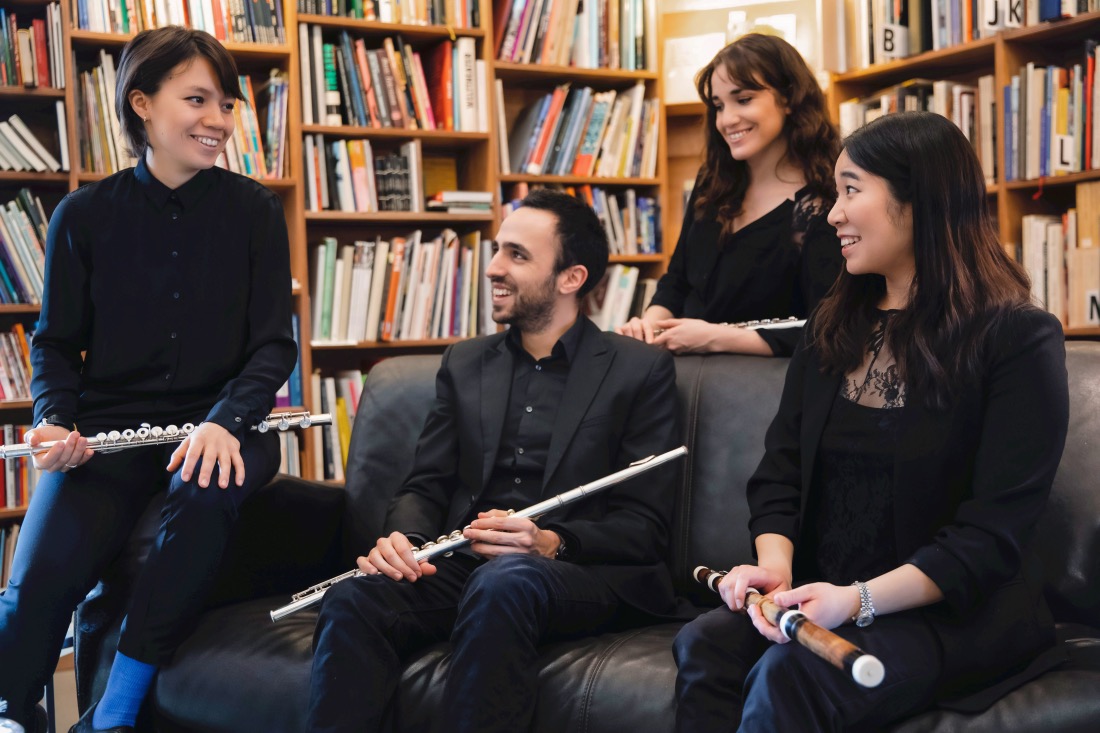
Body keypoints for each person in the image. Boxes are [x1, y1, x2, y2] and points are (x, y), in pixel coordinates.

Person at [672, 111, 1070, 731]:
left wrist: (856, 601)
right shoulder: (831, 326)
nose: (833, 214)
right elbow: (780, 475)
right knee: (705, 644)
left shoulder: (1017, 338)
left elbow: (991, 537)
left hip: (951, 613)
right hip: (828, 594)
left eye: (851, 191)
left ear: (920, 201)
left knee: (795, 674)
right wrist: (775, 569)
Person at [0, 27, 297, 733]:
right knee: (36, 580)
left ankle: (114, 713)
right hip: (108, 432)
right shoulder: (81, 216)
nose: (218, 120)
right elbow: (55, 343)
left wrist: (226, 421)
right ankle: (12, 710)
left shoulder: (255, 212)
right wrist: (54, 420)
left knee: (202, 494)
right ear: (141, 103)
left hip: (231, 425)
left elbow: (272, 346)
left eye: (226, 104)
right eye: (197, 100)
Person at [307, 189, 681, 733]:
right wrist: (404, 541)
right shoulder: (464, 362)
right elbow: (425, 485)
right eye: (498, 249)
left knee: (505, 581)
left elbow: (645, 525)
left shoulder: (639, 369)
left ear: (571, 278)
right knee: (354, 598)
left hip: (582, 572)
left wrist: (549, 542)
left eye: (517, 255)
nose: (493, 268)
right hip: (468, 564)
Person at [619, 33, 843, 356]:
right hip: (683, 368)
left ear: (789, 98)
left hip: (764, 379)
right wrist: (648, 324)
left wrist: (717, 337)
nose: (726, 120)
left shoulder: (823, 204)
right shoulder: (711, 183)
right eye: (719, 106)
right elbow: (677, 281)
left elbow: (828, 328)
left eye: (744, 99)